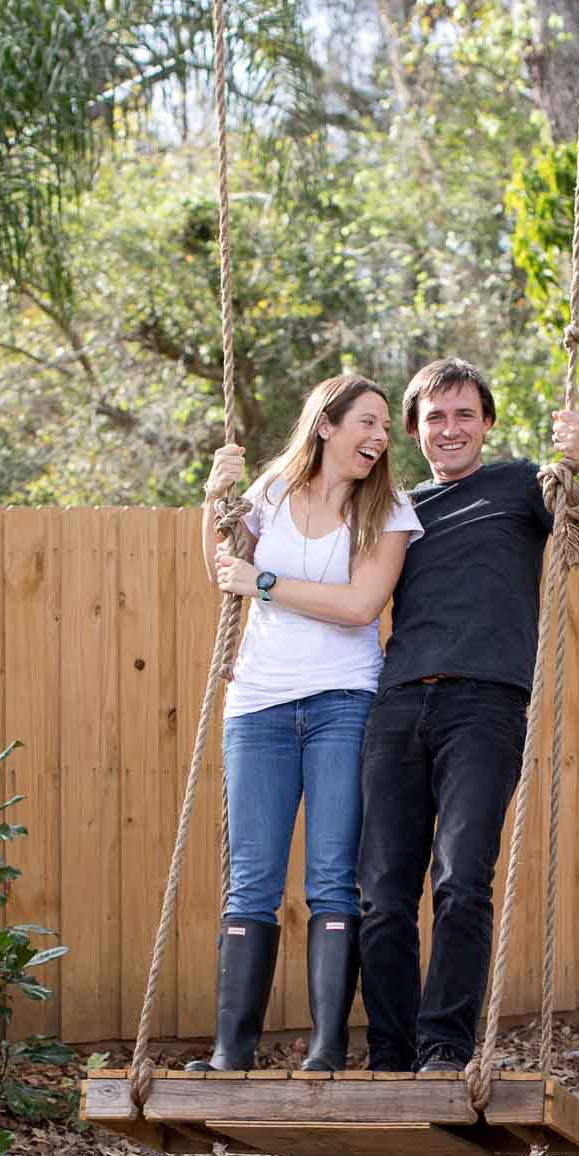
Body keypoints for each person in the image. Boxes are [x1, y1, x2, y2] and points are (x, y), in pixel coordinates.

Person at [357, 357, 579, 1075]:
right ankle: (390, 1055)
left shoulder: (521, 486)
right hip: (397, 704)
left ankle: (444, 1049)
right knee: (382, 893)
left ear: (486, 423)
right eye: (434, 418)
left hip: (483, 704)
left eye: (463, 415)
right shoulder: (398, 508)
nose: (449, 429)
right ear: (415, 431)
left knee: (460, 877)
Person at [188, 374, 422, 1076]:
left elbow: (359, 606)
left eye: (385, 427)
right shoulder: (271, 493)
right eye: (368, 422)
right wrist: (212, 502)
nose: (380, 438)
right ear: (325, 425)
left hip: (342, 704)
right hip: (257, 703)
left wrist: (263, 583)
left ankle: (325, 1049)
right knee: (251, 880)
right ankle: (232, 1050)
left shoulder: (391, 512)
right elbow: (221, 569)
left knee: (329, 876)